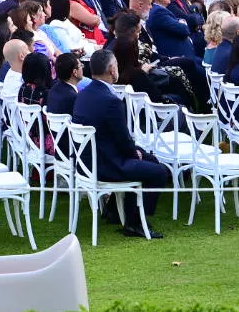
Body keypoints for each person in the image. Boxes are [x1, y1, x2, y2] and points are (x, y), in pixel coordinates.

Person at [68, 77, 170, 239]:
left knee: (149, 158)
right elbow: (123, 137)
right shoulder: (111, 101)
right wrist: (132, 153)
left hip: (88, 162)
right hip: (106, 164)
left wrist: (136, 152)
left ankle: (115, 211)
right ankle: (135, 222)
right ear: (111, 69)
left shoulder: (84, 94)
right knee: (160, 172)